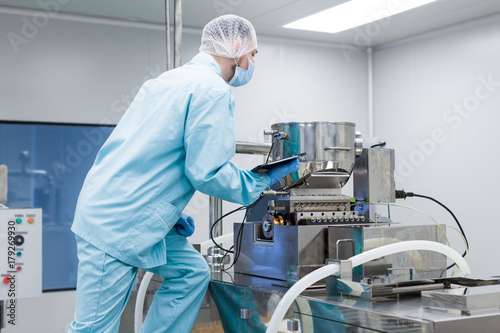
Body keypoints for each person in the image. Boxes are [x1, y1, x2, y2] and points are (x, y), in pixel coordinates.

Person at [69, 14, 299, 333]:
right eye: (253, 54)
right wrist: (261, 181)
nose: (252, 62)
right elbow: (207, 173)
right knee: (92, 328)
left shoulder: (164, 81)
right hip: (116, 222)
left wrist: (164, 212)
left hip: (130, 210)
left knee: (191, 273)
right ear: (235, 46)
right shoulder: (212, 91)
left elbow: (144, 152)